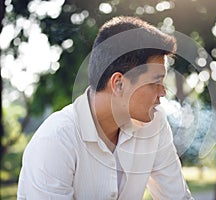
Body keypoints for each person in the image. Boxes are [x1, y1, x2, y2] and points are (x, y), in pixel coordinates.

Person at [17, 16, 194, 199]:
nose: (163, 92)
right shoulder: (56, 141)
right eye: (155, 82)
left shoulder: (154, 124)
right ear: (118, 84)